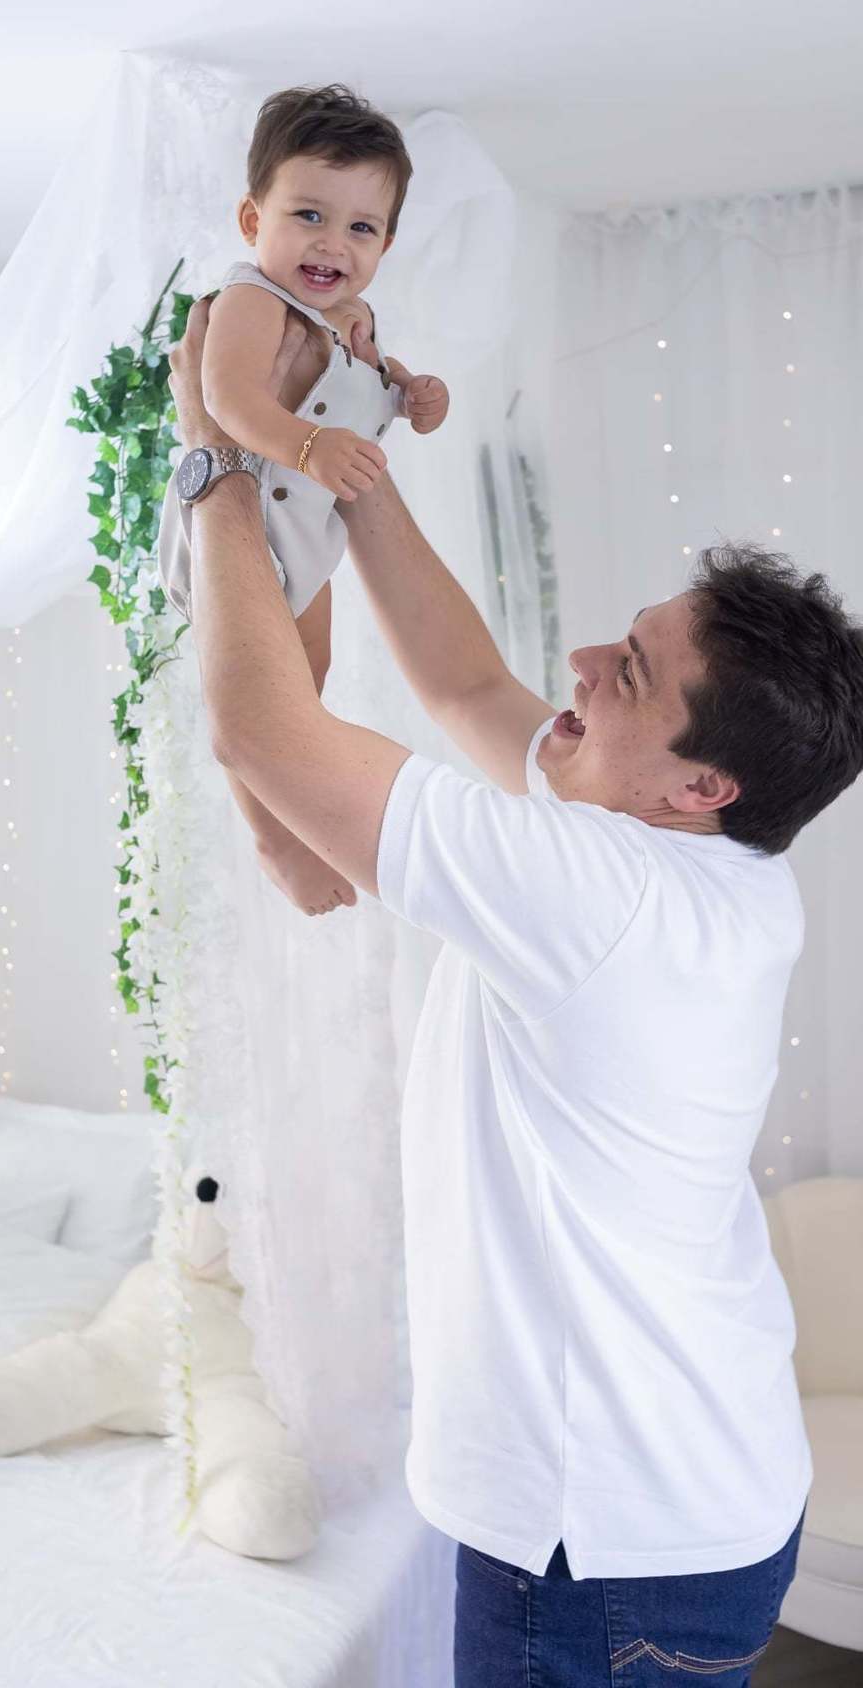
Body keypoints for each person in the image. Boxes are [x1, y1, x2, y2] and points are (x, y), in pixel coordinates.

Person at [164, 294, 863, 1685]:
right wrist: (350, 456)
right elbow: (467, 677)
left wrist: (219, 462)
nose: (587, 663)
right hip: (690, 1496)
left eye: (633, 672)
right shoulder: (709, 866)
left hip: (600, 1544)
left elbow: (260, 726)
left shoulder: (596, 894)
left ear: (697, 783)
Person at [157, 83, 448, 917]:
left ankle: (293, 817)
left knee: (301, 691)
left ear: (387, 243)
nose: (333, 243)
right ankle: (272, 837)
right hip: (235, 527)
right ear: (254, 223)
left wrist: (415, 393)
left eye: (361, 227)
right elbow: (227, 400)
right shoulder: (250, 300)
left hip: (301, 537)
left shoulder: (350, 319)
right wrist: (311, 445)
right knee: (250, 703)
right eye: (308, 216)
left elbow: (376, 388)